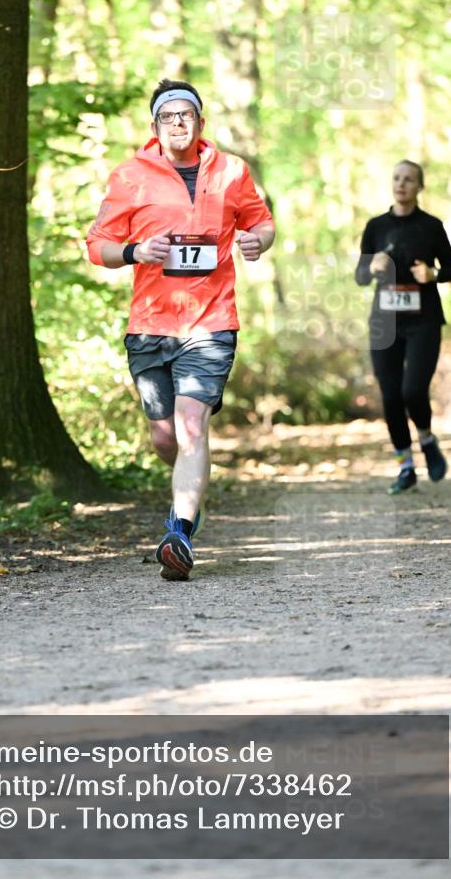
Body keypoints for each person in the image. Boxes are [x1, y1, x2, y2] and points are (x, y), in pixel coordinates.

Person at [86, 79, 275, 580]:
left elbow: (261, 222)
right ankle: (191, 493)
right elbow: (97, 245)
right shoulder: (130, 176)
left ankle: (180, 533)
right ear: (154, 126)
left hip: (212, 322)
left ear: (200, 122)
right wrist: (135, 251)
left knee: (192, 425)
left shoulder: (232, 170)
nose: (177, 122)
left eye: (185, 114)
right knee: (166, 437)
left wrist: (258, 242)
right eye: (167, 116)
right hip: (151, 324)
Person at [355, 160, 451, 494]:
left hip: (423, 321)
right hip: (383, 323)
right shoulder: (376, 227)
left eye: (409, 179)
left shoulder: (431, 226)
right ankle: (406, 466)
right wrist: (372, 266)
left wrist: (433, 274)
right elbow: (360, 276)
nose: (401, 184)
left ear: (419, 186)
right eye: (397, 178)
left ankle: (426, 438)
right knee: (390, 397)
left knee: (412, 391)